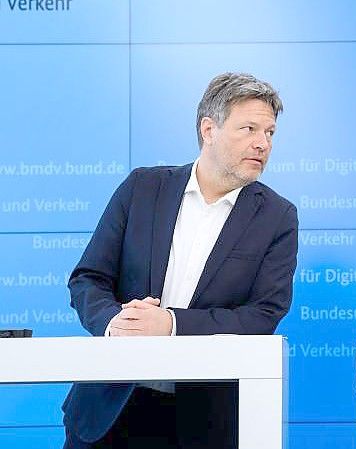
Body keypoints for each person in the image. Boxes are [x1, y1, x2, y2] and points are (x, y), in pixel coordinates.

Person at [62, 72, 298, 449]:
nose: (262, 143)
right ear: (209, 129)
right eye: (249, 129)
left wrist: (170, 323)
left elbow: (263, 314)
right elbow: (88, 278)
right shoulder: (142, 188)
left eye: (270, 133)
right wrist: (116, 323)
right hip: (109, 408)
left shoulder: (276, 216)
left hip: (204, 422)